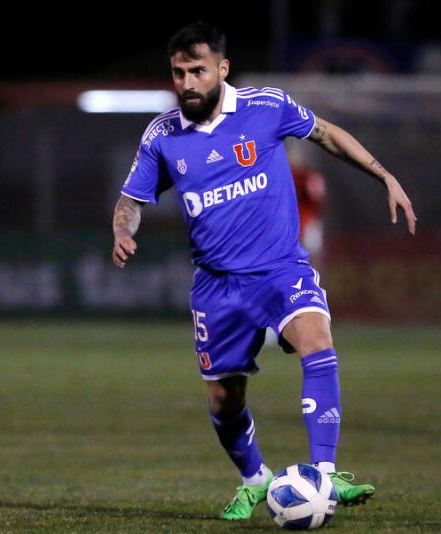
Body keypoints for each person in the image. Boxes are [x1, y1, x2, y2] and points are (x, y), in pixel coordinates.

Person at [111, 21, 417, 520]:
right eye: (178, 73)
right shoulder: (163, 135)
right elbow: (130, 200)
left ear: (222, 69)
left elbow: (326, 134)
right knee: (224, 399)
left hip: (280, 268)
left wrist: (384, 175)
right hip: (217, 285)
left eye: (197, 71)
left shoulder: (265, 106)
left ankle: (326, 473)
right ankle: (255, 481)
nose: (187, 83)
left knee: (316, 339)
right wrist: (123, 230)